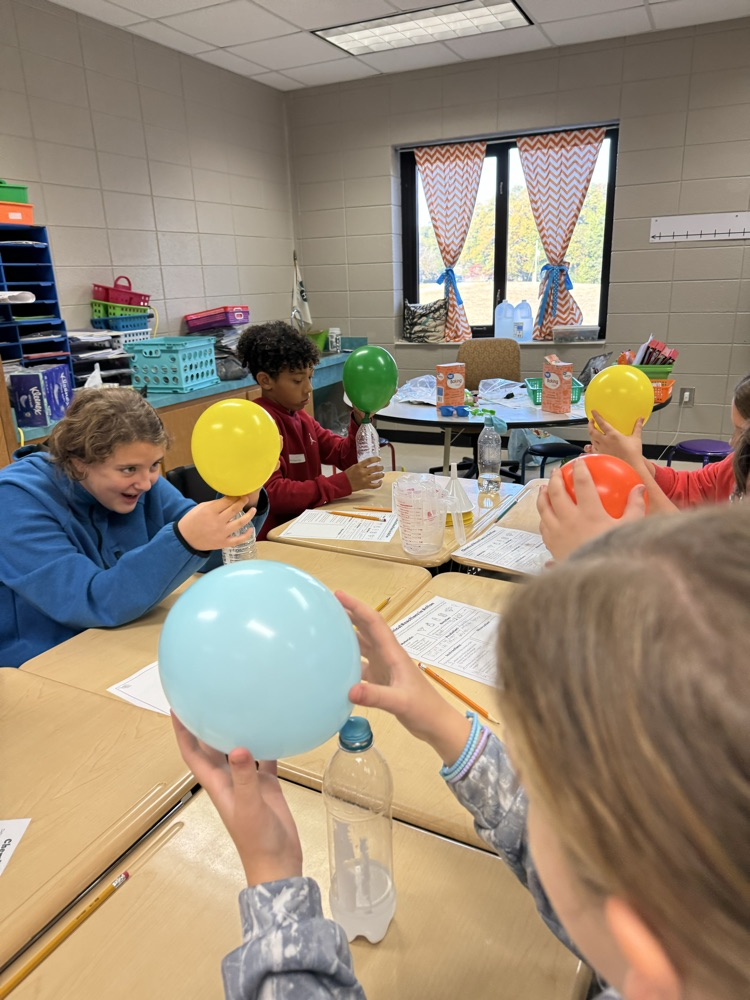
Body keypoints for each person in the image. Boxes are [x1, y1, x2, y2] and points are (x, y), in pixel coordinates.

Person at [173, 505, 750, 1000]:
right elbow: (589, 875)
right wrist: (445, 725)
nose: (520, 780)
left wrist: (273, 880)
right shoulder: (704, 942)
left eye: (533, 775)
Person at [0, 387, 268, 667]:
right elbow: (89, 599)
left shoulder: (140, 482)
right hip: (46, 665)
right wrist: (186, 541)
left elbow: (206, 554)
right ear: (79, 464)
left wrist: (245, 501)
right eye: (128, 470)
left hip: (123, 642)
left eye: (155, 465)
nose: (147, 482)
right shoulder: (14, 499)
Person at [236, 322, 383, 539]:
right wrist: (342, 483)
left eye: (309, 377)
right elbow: (273, 494)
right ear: (265, 381)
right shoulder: (257, 423)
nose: (308, 388)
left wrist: (360, 419)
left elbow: (344, 456)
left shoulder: (300, 417)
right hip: (275, 538)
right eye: (297, 380)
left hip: (305, 525)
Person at [587, 372, 750, 506]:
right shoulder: (738, 463)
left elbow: (685, 537)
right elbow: (690, 487)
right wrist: (629, 456)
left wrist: (633, 463)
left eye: (742, 432)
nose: (732, 441)